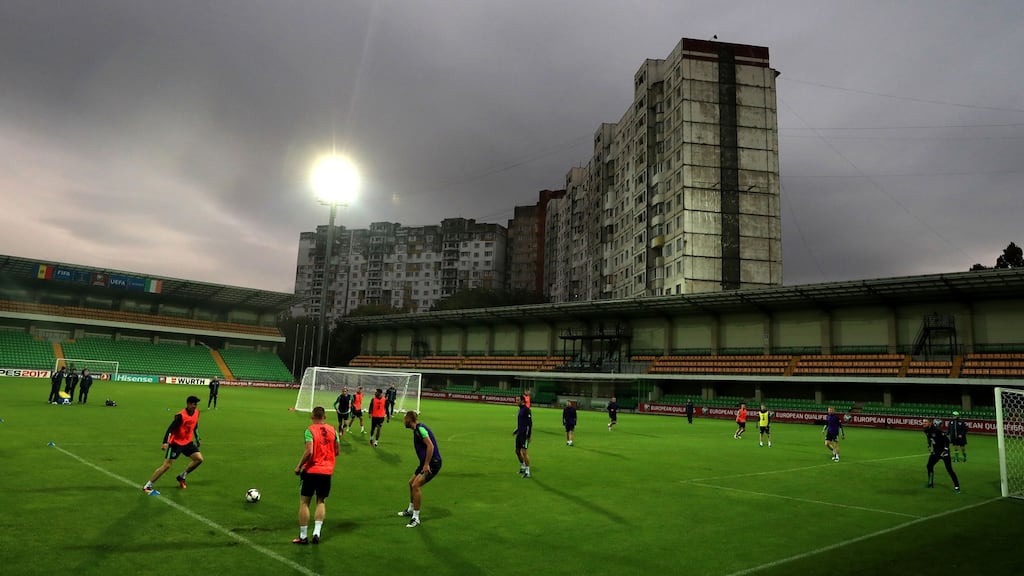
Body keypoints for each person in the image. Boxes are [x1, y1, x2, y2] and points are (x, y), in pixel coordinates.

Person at [293, 406, 340, 544]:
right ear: (324, 417)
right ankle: (316, 532)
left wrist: (299, 466)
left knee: (304, 502)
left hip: (311, 471)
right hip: (326, 472)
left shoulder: (310, 430)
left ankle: (303, 536)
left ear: (312, 417)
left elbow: (309, 451)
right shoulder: (333, 430)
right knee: (321, 501)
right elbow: (337, 451)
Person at [143, 395, 204, 493]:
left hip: (188, 442)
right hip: (176, 443)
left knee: (199, 459)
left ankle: (182, 476)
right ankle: (148, 485)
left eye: (196, 404)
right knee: (167, 465)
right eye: (193, 404)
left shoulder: (197, 413)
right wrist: (165, 442)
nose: (195, 406)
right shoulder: (181, 416)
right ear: (188, 404)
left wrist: (198, 438)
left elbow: (195, 425)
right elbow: (170, 429)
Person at [398, 410, 442, 528]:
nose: (403, 422)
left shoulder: (420, 429)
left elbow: (430, 446)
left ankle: (416, 518)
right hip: (424, 463)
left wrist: (427, 464)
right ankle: (411, 509)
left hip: (433, 463)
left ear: (409, 419)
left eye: (404, 419)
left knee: (416, 485)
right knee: (411, 483)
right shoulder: (417, 430)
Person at [924, 418, 960, 493]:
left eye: (925, 422)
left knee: (949, 469)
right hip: (936, 452)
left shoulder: (937, 431)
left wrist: (946, 450)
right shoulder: (926, 430)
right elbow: (929, 438)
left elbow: (947, 440)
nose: (923, 423)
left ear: (930, 423)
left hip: (943, 452)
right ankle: (930, 483)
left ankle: (957, 486)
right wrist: (929, 446)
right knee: (929, 466)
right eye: (923, 422)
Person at [513, 395, 533, 478]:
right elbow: (521, 422)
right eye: (516, 400)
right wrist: (516, 430)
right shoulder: (520, 410)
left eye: (518, 400)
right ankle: (523, 466)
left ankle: (527, 471)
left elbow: (530, 423)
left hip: (524, 434)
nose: (516, 401)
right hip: (519, 434)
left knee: (524, 452)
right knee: (517, 451)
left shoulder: (526, 410)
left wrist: (528, 436)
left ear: (522, 401)